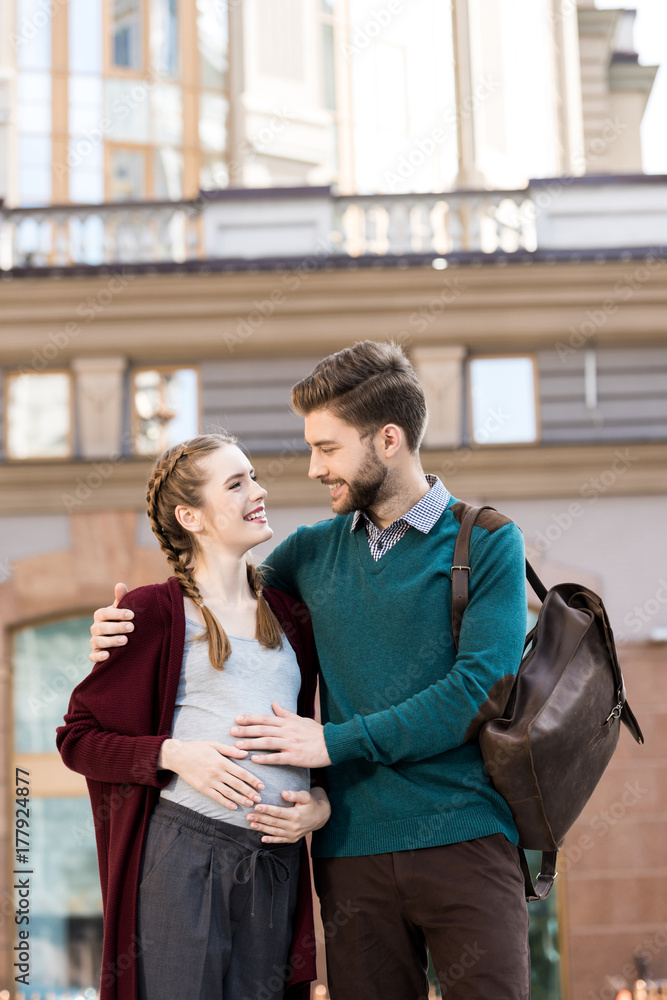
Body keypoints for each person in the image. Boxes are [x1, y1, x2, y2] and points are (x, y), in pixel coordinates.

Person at [88, 341, 531, 1000]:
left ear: (386, 440)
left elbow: (480, 689)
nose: (313, 469)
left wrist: (333, 743)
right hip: (347, 856)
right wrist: (120, 632)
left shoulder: (486, 539)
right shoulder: (308, 553)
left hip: (465, 839)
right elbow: (214, 601)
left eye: (326, 449)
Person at [57, 432, 330, 1000]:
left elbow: (307, 740)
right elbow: (78, 739)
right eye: (236, 483)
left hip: (276, 863)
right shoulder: (151, 611)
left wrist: (319, 805)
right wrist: (173, 754)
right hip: (184, 854)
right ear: (191, 516)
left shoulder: (291, 615)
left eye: (253, 476)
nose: (258, 491)